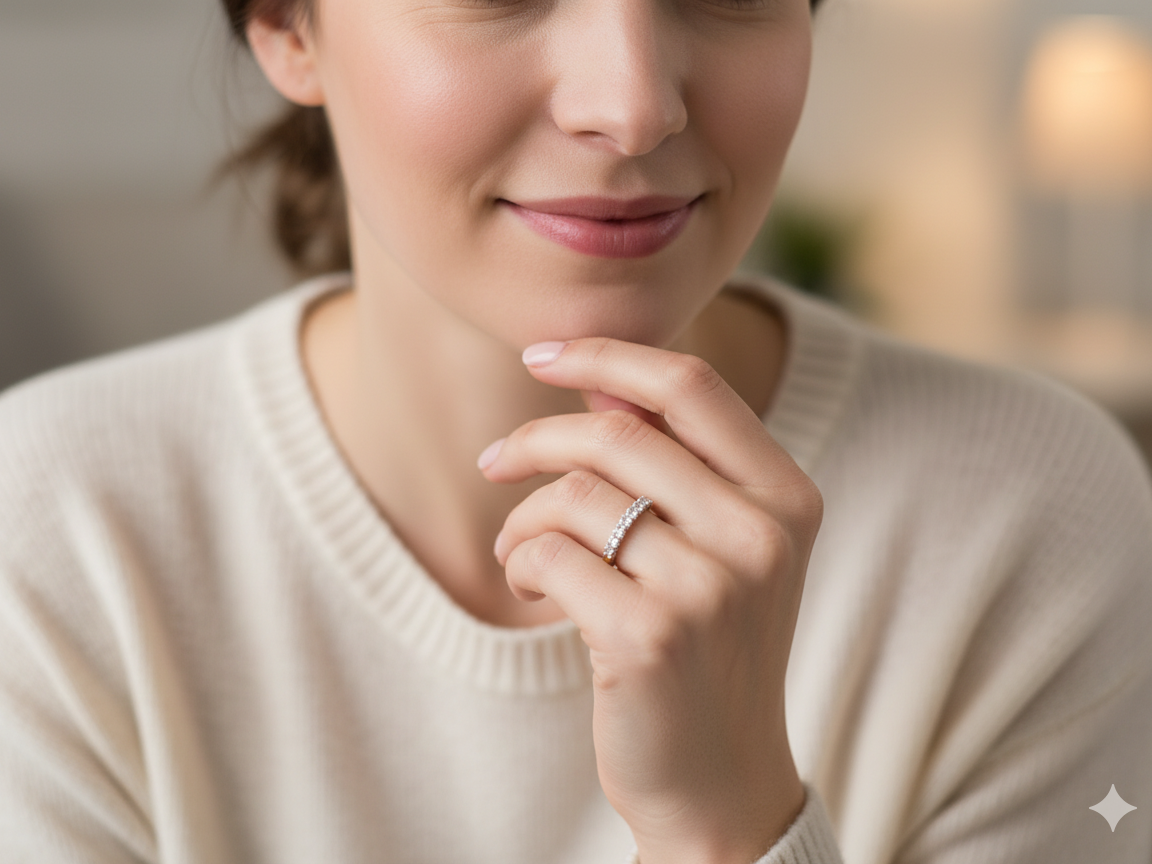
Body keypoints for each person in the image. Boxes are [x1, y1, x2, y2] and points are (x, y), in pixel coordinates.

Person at [1, 0, 1150, 860]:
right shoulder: (52, 529)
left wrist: (729, 826)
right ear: (286, 26)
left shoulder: (1030, 511)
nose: (633, 102)